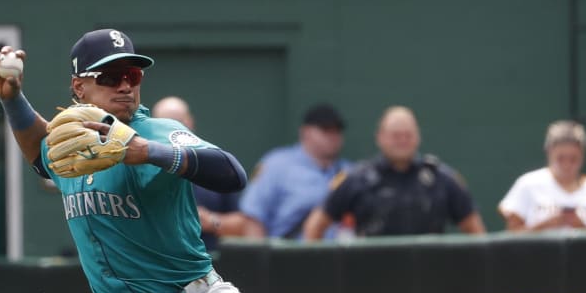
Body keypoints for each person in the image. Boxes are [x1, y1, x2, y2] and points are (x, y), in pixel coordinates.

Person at [0, 28, 408, 293]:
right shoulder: (69, 145)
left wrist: (147, 153)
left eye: (132, 76)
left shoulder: (154, 132)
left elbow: (231, 173)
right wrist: (12, 100)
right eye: (110, 77)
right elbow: (41, 154)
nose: (124, 86)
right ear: (79, 87)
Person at [304, 105, 486, 239]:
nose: (402, 141)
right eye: (395, 136)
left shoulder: (442, 179)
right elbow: (315, 226)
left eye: (408, 135)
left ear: (418, 137)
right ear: (380, 137)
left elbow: (475, 231)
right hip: (371, 279)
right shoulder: (356, 179)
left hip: (430, 276)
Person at [239, 103, 352, 238]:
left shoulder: (349, 172)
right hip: (289, 254)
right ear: (305, 132)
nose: (332, 136)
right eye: (326, 130)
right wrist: (259, 257)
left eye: (337, 130)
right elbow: (253, 217)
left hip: (338, 255)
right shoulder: (277, 165)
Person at [151, 96, 242, 251]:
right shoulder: (141, 166)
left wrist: (211, 221)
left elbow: (241, 224)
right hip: (158, 260)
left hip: (209, 261)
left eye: (178, 121)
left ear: (190, 122)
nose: (172, 129)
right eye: (164, 123)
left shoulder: (211, 163)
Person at [498, 120, 586, 233]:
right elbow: (512, 235)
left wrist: (581, 226)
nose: (567, 165)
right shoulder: (527, 183)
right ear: (549, 152)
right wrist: (546, 225)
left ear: (583, 156)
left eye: (573, 159)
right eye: (560, 158)